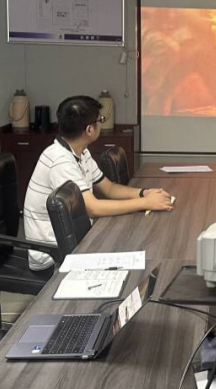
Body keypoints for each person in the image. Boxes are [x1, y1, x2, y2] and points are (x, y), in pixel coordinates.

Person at [24, 95, 174, 273]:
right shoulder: (60, 160)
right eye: (100, 120)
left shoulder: (80, 152)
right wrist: (145, 203)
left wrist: (144, 193)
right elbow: (93, 208)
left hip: (75, 239)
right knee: (136, 255)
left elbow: (108, 188)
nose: (101, 124)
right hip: (54, 257)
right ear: (89, 130)